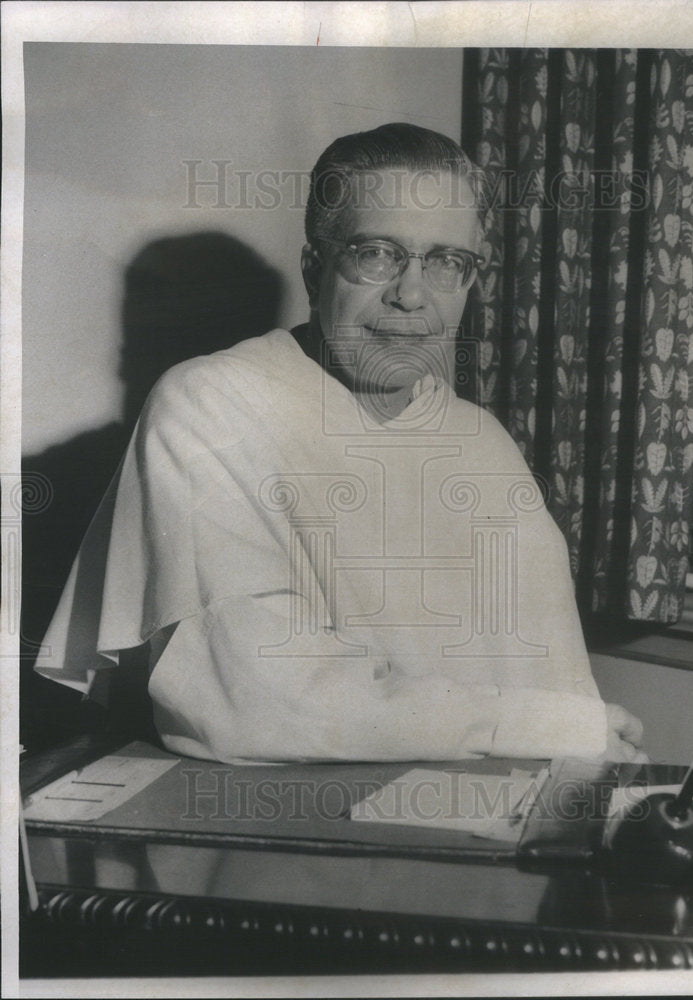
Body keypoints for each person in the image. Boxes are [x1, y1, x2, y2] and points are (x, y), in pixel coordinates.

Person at [34, 123, 645, 765]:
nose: (412, 296)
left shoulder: (482, 441)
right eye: (377, 253)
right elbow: (265, 703)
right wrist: (537, 726)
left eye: (446, 262)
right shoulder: (209, 405)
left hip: (489, 826)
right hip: (287, 823)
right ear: (314, 268)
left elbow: (561, 693)